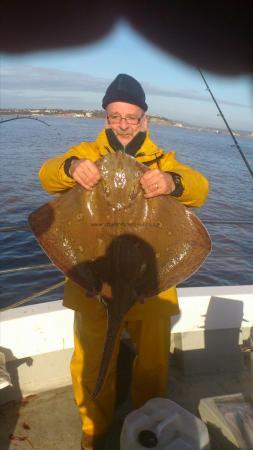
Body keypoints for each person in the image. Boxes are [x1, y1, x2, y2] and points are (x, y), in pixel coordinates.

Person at [39, 74, 209, 450]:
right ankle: (94, 434)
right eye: (116, 116)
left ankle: (151, 423)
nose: (124, 124)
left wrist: (172, 183)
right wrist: (70, 168)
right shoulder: (85, 153)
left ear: (144, 119)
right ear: (106, 119)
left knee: (152, 363)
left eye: (131, 117)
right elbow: (47, 176)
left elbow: (200, 189)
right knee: (92, 362)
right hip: (91, 285)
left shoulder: (163, 160)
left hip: (152, 289)